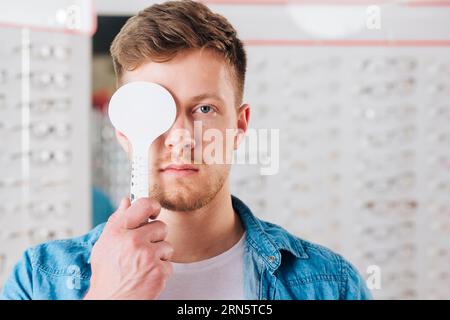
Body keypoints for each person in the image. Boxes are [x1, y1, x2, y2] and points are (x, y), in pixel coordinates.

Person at [0, 0, 371, 300]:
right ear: (122, 128)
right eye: (152, 111)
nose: (180, 137)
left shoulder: (330, 285)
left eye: (204, 109)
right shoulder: (39, 281)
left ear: (239, 126)